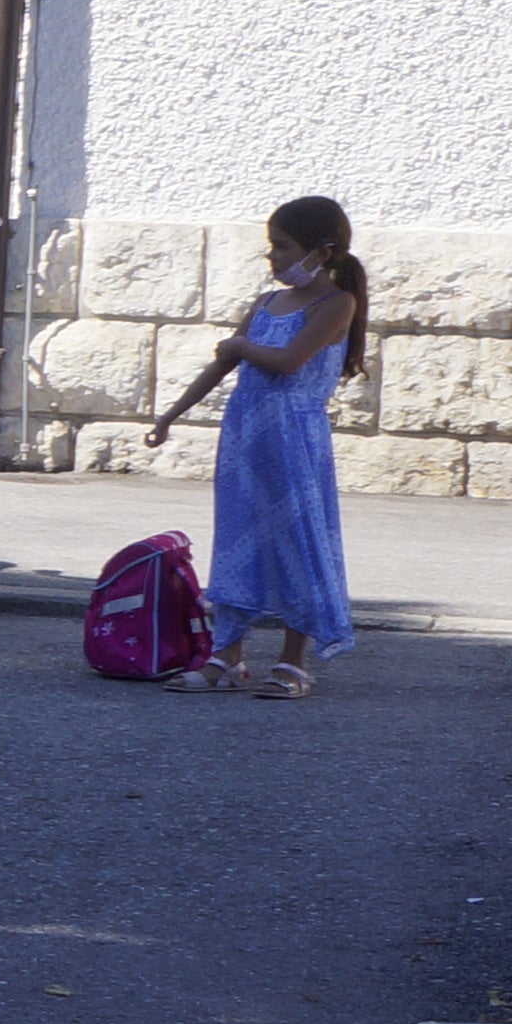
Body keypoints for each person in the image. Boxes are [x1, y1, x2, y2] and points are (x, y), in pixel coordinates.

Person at [147, 194, 379, 694]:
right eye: (271, 247)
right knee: (237, 538)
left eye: (282, 247)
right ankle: (226, 656)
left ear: (322, 251)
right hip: (246, 436)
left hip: (294, 437)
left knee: (297, 540)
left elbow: (289, 360)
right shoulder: (267, 303)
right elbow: (222, 365)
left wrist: (240, 347)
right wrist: (171, 414)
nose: (272, 257)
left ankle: (293, 661)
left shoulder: (337, 303)